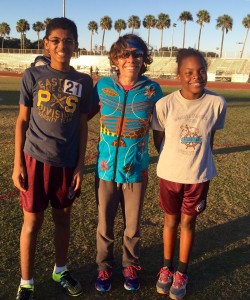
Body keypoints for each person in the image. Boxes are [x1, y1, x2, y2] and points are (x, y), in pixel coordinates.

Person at [12, 17, 93, 299]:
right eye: (56, 40)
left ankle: (60, 269)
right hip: (34, 160)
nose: (62, 45)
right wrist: (17, 163)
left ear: (75, 45)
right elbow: (22, 121)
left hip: (67, 163)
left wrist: (81, 165)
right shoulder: (32, 76)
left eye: (68, 40)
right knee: (32, 223)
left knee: (63, 219)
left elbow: (83, 125)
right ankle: (27, 282)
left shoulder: (83, 81)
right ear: (46, 44)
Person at [90, 33, 163, 293]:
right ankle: (104, 267)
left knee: (132, 225)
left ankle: (130, 265)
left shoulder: (152, 89)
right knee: (104, 223)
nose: (131, 58)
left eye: (137, 54)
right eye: (125, 54)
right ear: (115, 58)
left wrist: (162, 153)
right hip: (106, 168)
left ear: (144, 59)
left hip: (136, 169)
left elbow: (159, 126)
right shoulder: (101, 86)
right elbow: (83, 114)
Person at [152, 48, 227, 300]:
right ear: (179, 75)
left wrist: (199, 160)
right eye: (189, 72)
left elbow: (210, 138)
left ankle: (182, 271)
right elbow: (158, 137)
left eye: (201, 71)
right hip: (170, 174)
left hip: (198, 175)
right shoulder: (164, 104)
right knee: (170, 221)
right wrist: (172, 159)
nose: (196, 76)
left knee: (188, 222)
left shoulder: (217, 103)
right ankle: (166, 268)